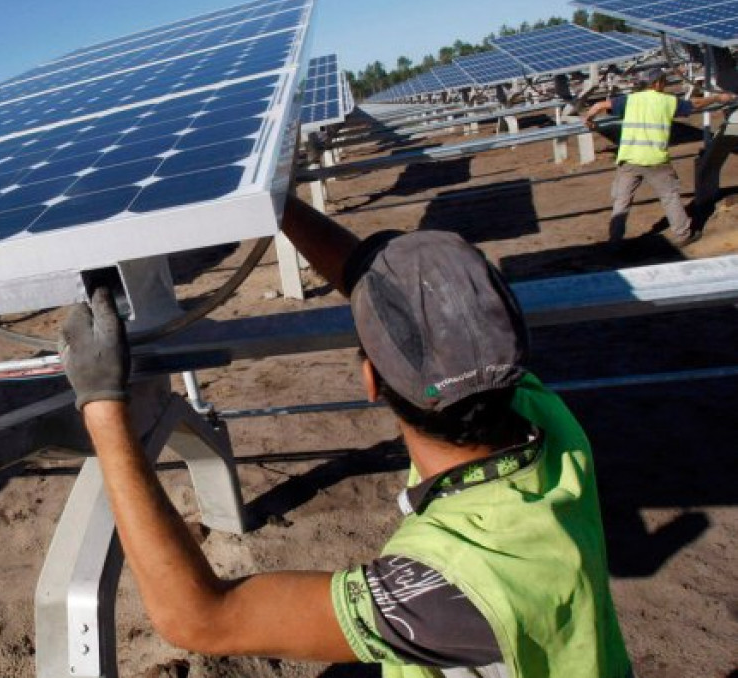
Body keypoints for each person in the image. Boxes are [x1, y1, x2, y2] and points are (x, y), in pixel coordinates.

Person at [57, 196, 632, 677]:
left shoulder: (446, 587)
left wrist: (103, 404)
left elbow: (202, 619)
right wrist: (275, 205)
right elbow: (379, 292)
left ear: (369, 380)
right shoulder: (543, 414)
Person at [581, 68, 735, 246]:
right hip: (656, 161)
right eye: (663, 81)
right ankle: (683, 234)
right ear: (656, 83)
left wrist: (589, 120)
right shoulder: (666, 101)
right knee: (669, 197)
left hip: (629, 159)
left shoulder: (629, 100)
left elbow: (599, 106)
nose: (665, 84)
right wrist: (717, 98)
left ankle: (615, 241)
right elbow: (695, 104)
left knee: (621, 201)